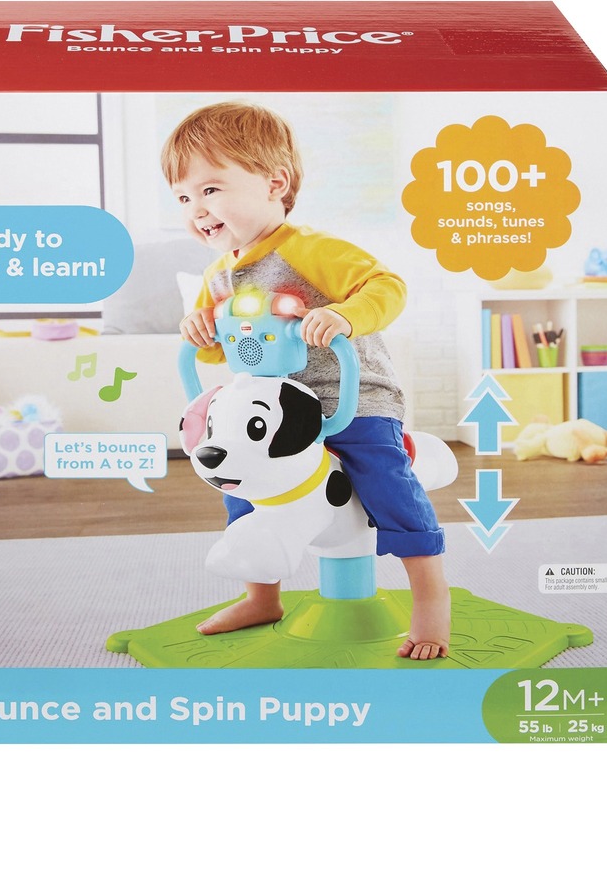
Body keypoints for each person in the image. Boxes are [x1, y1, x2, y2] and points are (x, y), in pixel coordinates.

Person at [163, 101, 449, 660]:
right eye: (182, 197)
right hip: (268, 412)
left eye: (210, 189)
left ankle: (430, 600)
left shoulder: (310, 249)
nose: (197, 209)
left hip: (349, 399)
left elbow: (386, 287)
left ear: (275, 184)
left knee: (386, 483)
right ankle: (261, 596)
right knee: (242, 484)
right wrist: (199, 327)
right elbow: (220, 345)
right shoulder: (217, 275)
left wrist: (344, 315)